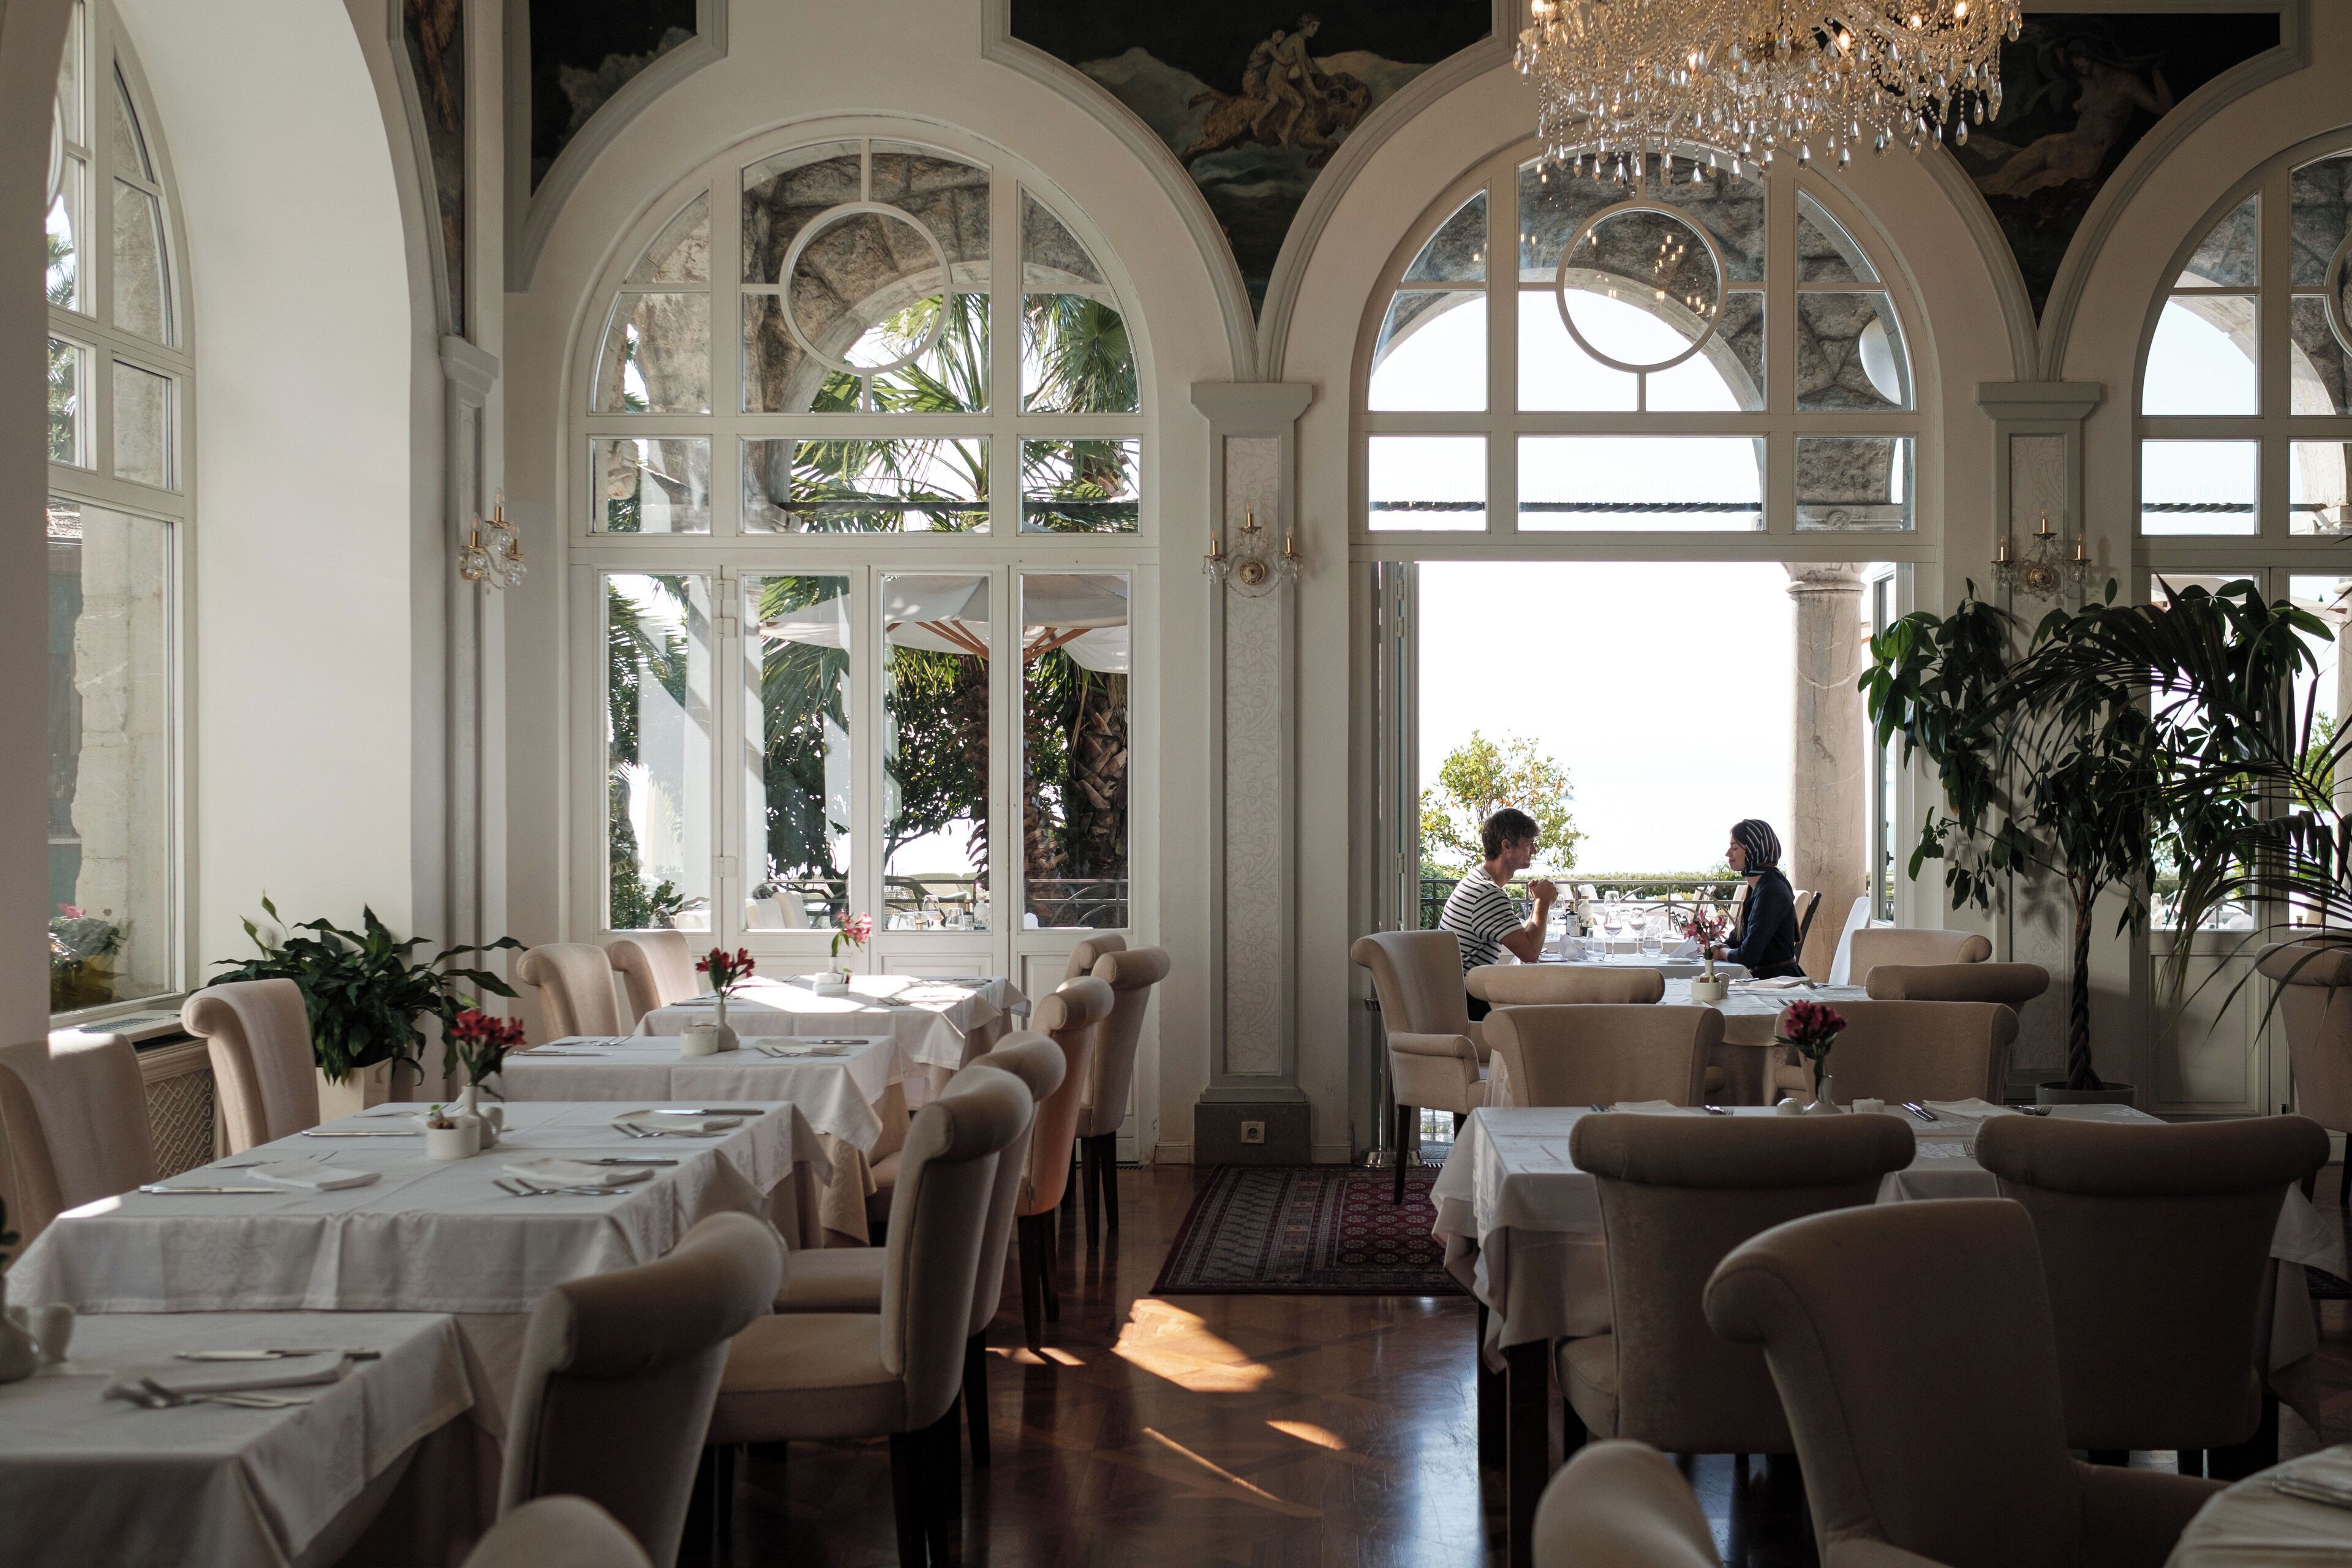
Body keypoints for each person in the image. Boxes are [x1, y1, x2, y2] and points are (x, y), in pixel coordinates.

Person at [1438, 808, 1558, 1019]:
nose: (1535, 851)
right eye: (1529, 844)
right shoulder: (1487, 894)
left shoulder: (1476, 881)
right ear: (1507, 846)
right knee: (1551, 1013)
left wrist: (1539, 904)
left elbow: (1522, 936)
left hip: (1453, 999)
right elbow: (1530, 953)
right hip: (1467, 1008)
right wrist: (1543, 901)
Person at [1723, 818, 1804, 979]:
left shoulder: (1771, 891)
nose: (1727, 853)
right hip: (1765, 981)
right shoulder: (1759, 887)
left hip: (1779, 984)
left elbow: (1748, 956)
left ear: (1754, 849)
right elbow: (1737, 939)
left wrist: (1721, 952)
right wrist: (1714, 946)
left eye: (1735, 848)